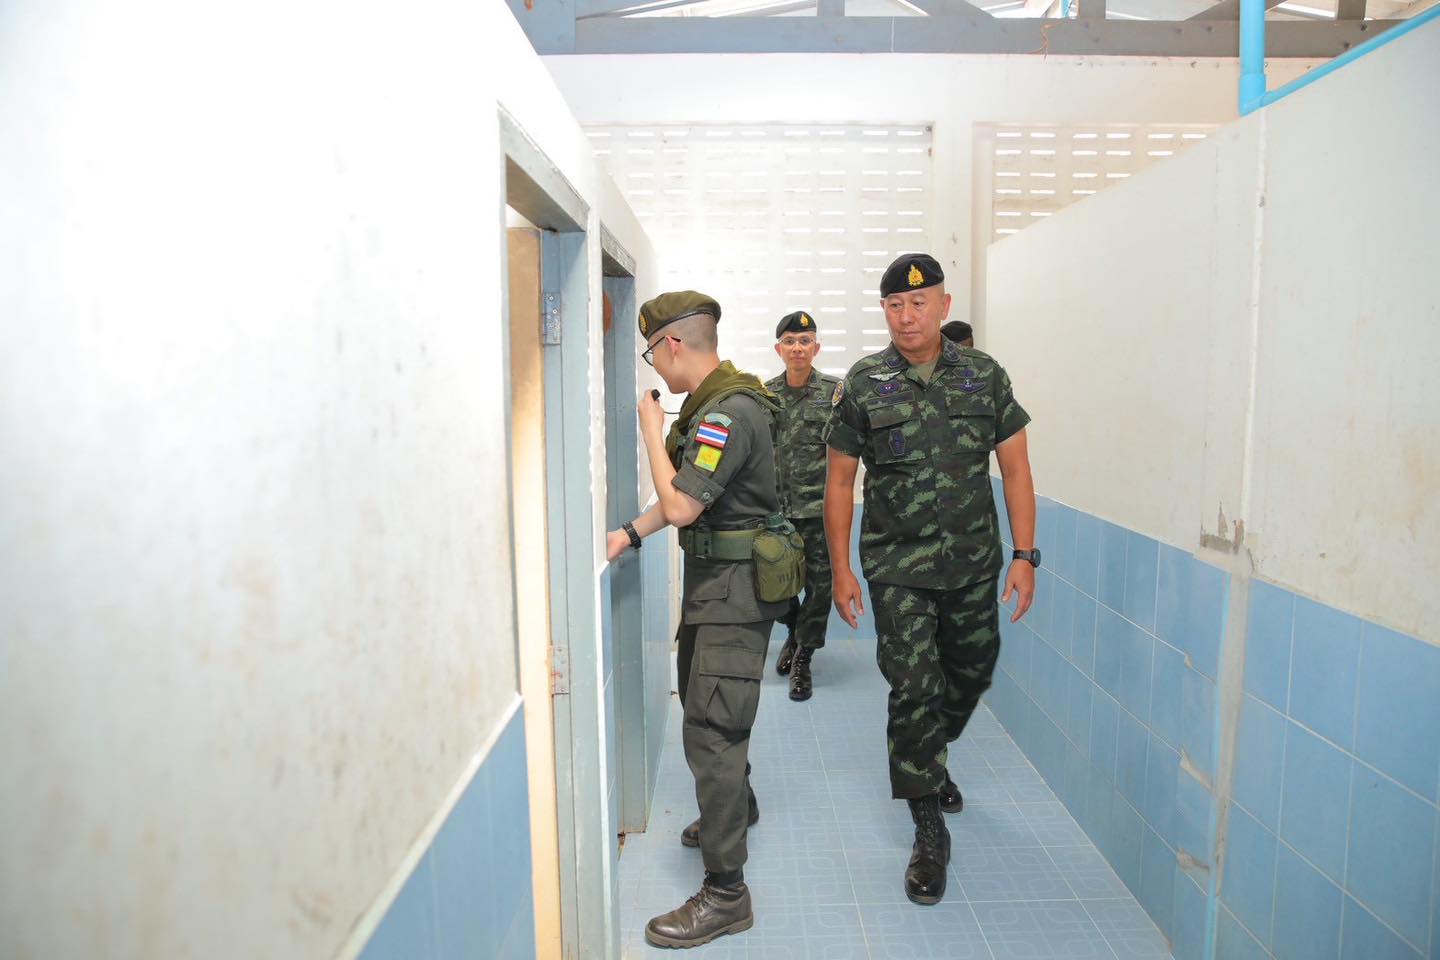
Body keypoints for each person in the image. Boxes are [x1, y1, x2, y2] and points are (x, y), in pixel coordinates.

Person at [821, 253, 1038, 906]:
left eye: (919, 303)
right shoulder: (864, 383)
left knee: (971, 671)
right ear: (884, 311)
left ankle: (929, 757)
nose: (907, 316)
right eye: (895, 305)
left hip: (973, 564)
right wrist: (841, 570)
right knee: (915, 686)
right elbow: (840, 481)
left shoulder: (984, 376)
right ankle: (927, 827)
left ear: (944, 306)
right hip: (897, 568)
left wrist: (1025, 555)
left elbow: (1017, 469)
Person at [606, 290, 788, 949]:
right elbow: (689, 498)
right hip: (719, 591)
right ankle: (736, 806)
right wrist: (630, 532)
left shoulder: (727, 413)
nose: (655, 365)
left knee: (712, 729)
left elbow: (683, 504)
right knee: (706, 705)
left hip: (733, 598)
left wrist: (651, 433)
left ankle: (726, 895)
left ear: (673, 344)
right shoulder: (716, 404)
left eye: (652, 352)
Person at [764, 311, 841, 702]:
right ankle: (794, 630)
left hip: (819, 513)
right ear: (779, 349)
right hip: (775, 513)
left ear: (816, 348)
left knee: (820, 587)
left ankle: (803, 658)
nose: (798, 348)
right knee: (773, 586)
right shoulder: (764, 396)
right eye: (790, 341)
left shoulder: (835, 393)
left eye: (805, 341)